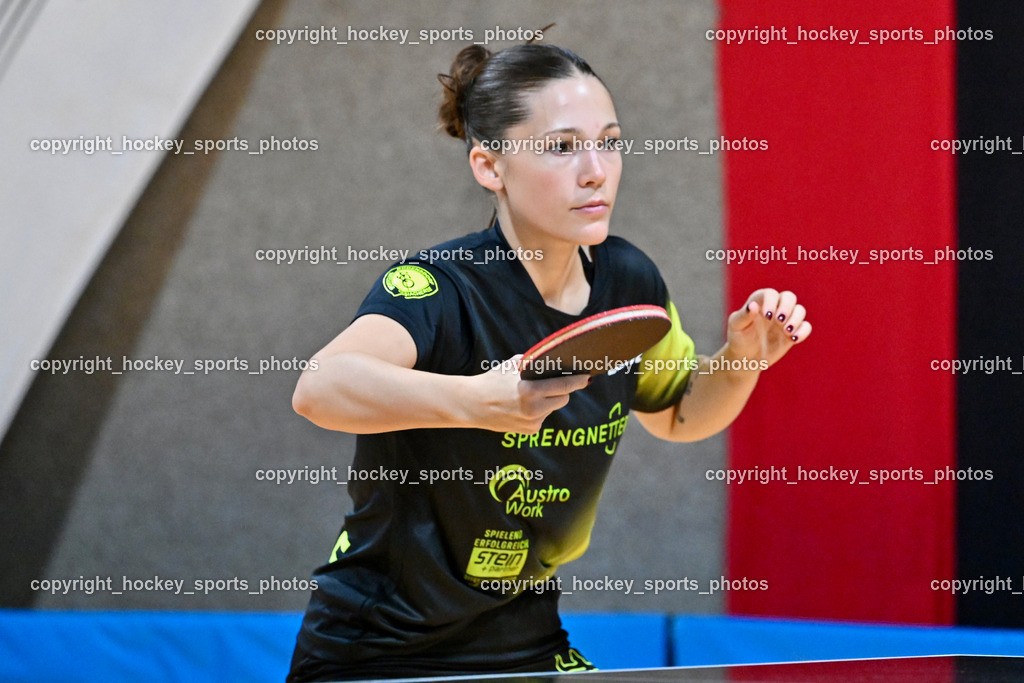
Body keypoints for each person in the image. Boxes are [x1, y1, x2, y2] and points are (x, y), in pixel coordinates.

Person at [287, 39, 811, 681]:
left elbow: (678, 414)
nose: (596, 170)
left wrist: (741, 360)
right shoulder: (444, 286)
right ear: (490, 166)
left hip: (522, 637)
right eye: (562, 147)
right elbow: (321, 387)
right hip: (380, 648)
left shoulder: (627, 280)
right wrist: (478, 402)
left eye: (609, 141)